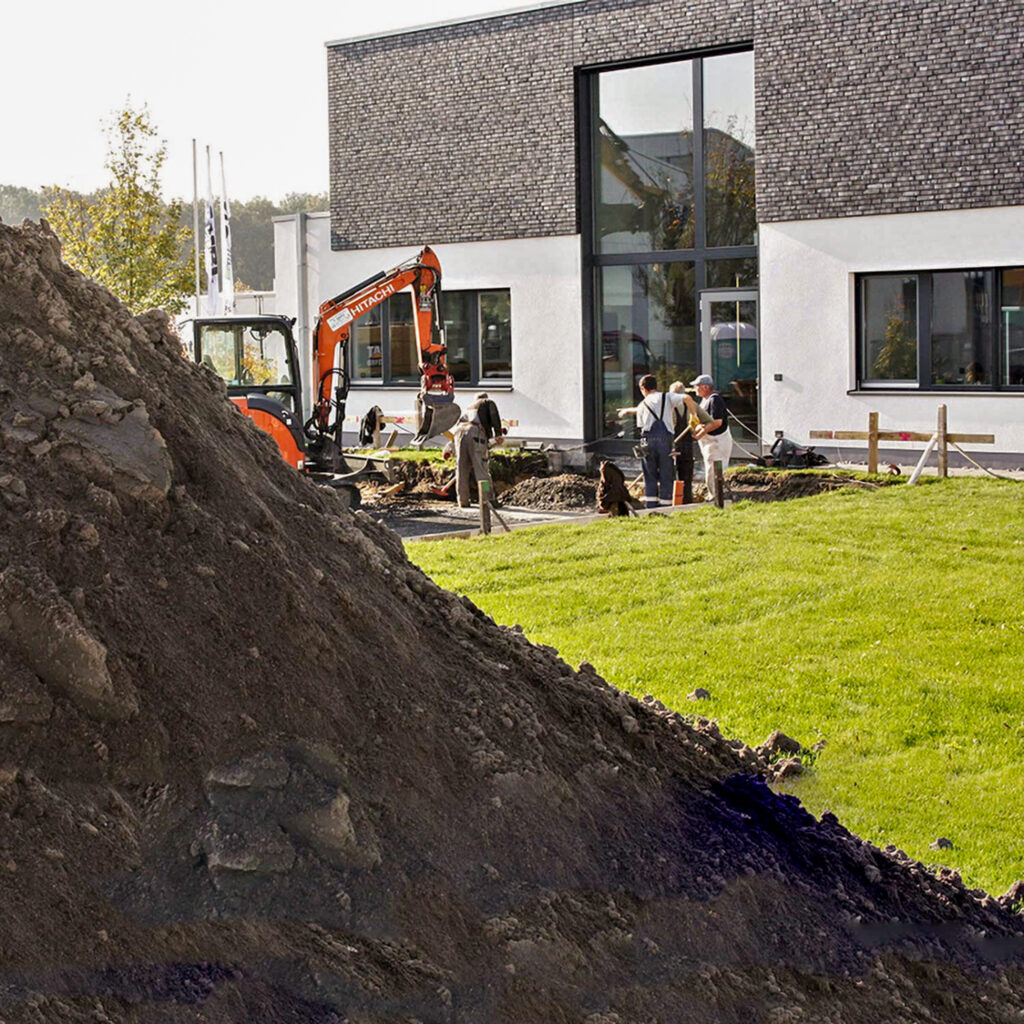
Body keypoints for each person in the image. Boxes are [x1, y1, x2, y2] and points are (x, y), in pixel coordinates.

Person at [618, 374, 697, 508]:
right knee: (667, 473)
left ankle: (651, 505)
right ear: (656, 386)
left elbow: (641, 426)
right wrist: (694, 416)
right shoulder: (667, 397)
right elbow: (687, 398)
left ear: (643, 389)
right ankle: (666, 505)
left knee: (650, 474)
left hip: (647, 441)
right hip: (665, 441)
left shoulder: (643, 404)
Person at [451, 392, 504, 507]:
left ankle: (463, 501)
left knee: (461, 469)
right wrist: (498, 434)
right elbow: (494, 414)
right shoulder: (487, 402)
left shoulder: (468, 409)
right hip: (475, 434)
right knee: (481, 469)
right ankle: (488, 499)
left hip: (459, 434)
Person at [690, 373, 733, 503]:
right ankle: (712, 495)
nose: (695, 389)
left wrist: (700, 433)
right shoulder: (704, 401)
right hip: (709, 443)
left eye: (697, 386)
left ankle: (716, 497)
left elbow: (717, 422)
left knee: (715, 470)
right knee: (710, 469)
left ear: (705, 387)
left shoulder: (715, 400)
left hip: (717, 442)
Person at [669, 380, 696, 504]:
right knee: (687, 474)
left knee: (673, 474)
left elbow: (671, 425)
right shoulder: (690, 406)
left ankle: (676, 500)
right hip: (688, 443)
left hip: (675, 443)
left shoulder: (670, 407)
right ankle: (687, 499)